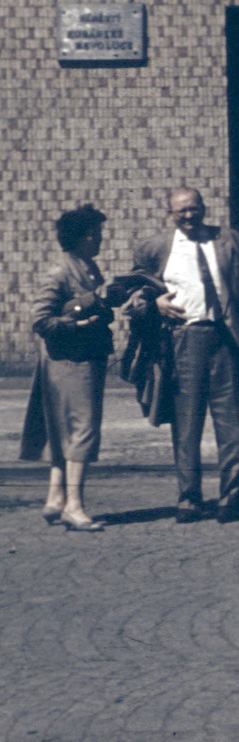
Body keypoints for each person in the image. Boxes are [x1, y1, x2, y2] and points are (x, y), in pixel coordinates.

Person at [129, 187, 239, 524]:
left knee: (232, 425)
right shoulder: (156, 247)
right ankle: (189, 498)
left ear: (203, 208)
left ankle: (231, 498)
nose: (188, 216)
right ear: (170, 213)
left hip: (226, 339)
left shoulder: (229, 239)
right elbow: (132, 289)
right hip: (183, 341)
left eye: (193, 209)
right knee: (187, 426)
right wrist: (154, 303)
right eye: (180, 211)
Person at [22, 205, 115, 532]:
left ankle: (56, 499)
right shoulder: (60, 271)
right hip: (69, 361)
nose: (101, 238)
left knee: (66, 431)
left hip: (84, 358)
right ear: (82, 236)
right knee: (82, 430)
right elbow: (41, 320)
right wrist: (80, 320)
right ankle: (75, 506)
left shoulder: (87, 267)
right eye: (96, 233)